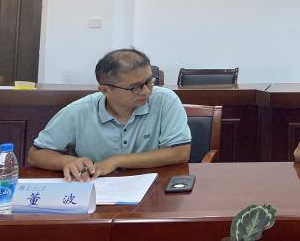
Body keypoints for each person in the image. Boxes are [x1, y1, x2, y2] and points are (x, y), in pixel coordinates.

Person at [28, 48, 191, 181]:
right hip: (96, 190)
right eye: (135, 87)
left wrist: (116, 161)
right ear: (105, 90)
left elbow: (180, 152)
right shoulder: (79, 111)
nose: (146, 91)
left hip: (155, 188)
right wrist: (68, 161)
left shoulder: (165, 100)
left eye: (149, 81)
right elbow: (36, 155)